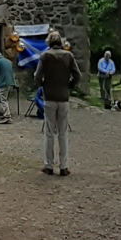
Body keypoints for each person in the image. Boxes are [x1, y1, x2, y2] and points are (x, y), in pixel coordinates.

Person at [34, 31, 82, 176]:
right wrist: (70, 86)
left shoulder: (45, 56)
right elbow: (78, 75)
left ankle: (48, 165)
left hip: (49, 96)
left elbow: (37, 76)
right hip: (63, 97)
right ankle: (64, 166)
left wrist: (42, 85)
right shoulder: (69, 56)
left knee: (49, 132)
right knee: (63, 133)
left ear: (49, 42)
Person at [0, 52, 15, 124]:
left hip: (3, 83)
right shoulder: (9, 62)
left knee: (3, 100)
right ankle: (6, 114)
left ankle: (7, 117)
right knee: (6, 99)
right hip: (10, 82)